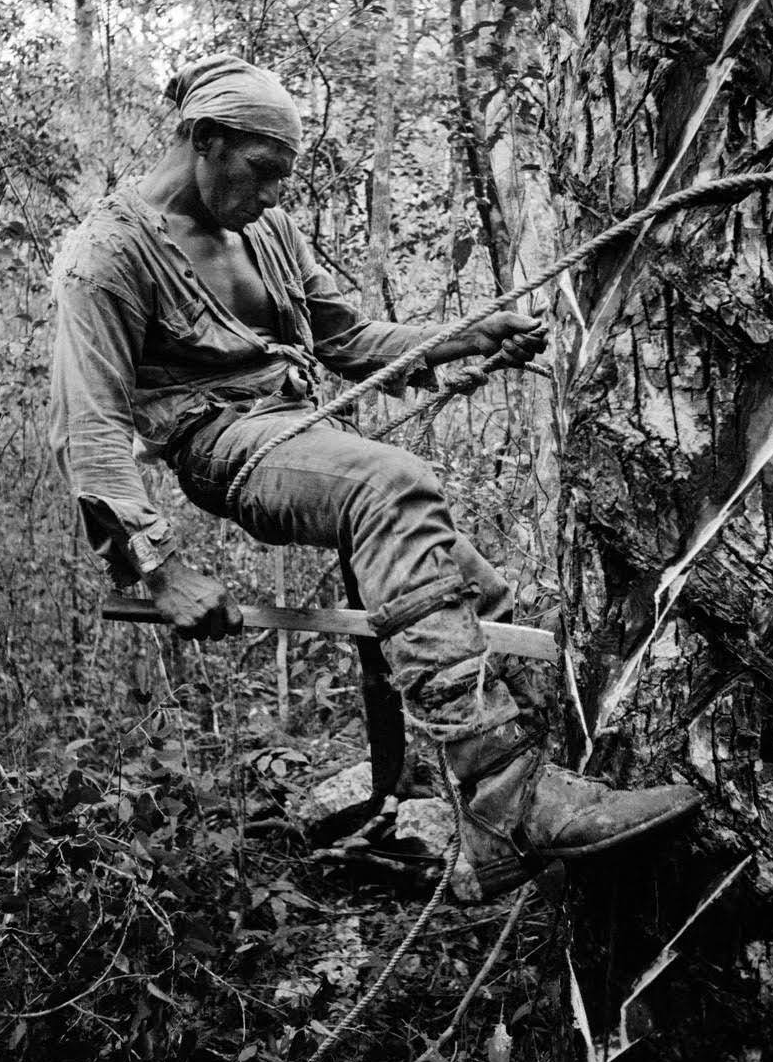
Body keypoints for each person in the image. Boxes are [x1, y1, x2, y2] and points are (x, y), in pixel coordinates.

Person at [50, 54, 700, 901]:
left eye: (285, 176)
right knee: (390, 483)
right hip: (226, 446)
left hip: (312, 429)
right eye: (264, 171)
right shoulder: (105, 254)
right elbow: (88, 423)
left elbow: (349, 341)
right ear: (205, 140)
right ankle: (509, 797)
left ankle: (515, 830)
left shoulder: (266, 233)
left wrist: (460, 339)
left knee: (481, 601)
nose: (277, 194)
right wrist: (158, 568)